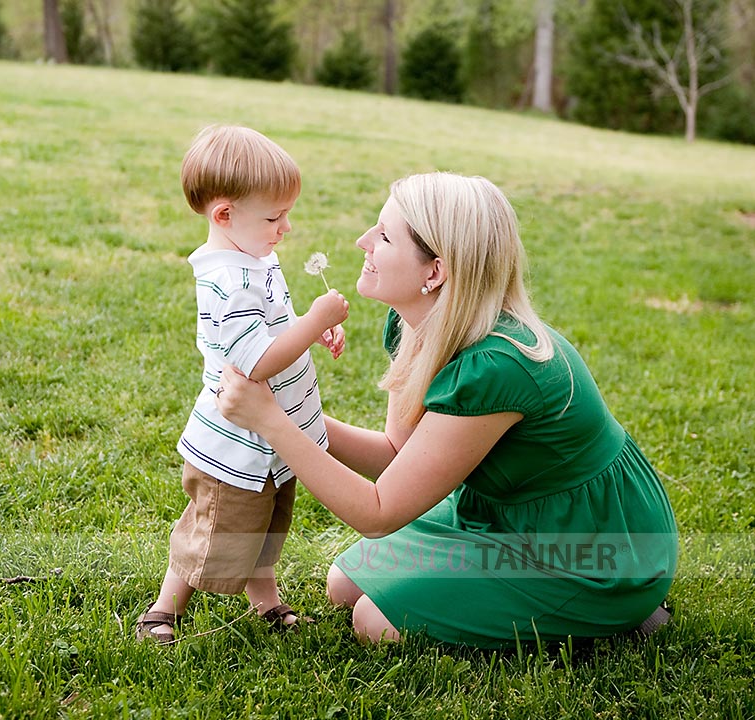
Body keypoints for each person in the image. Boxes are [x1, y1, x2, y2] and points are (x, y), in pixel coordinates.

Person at [214, 171, 678, 648]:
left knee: (377, 622)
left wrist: (269, 421)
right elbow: (398, 452)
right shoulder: (412, 323)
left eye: (385, 236)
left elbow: (378, 513)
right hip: (504, 515)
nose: (363, 241)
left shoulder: (497, 367)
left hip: (586, 546)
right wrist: (290, 413)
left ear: (434, 272)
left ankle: (620, 610)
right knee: (344, 584)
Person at [135, 125, 349, 643]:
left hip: (273, 437)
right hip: (237, 445)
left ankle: (266, 602)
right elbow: (254, 362)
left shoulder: (253, 256)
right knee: (214, 531)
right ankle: (163, 611)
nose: (286, 227)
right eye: (274, 217)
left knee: (268, 528)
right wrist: (315, 319)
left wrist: (312, 329)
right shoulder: (225, 280)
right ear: (224, 215)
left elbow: (275, 322)